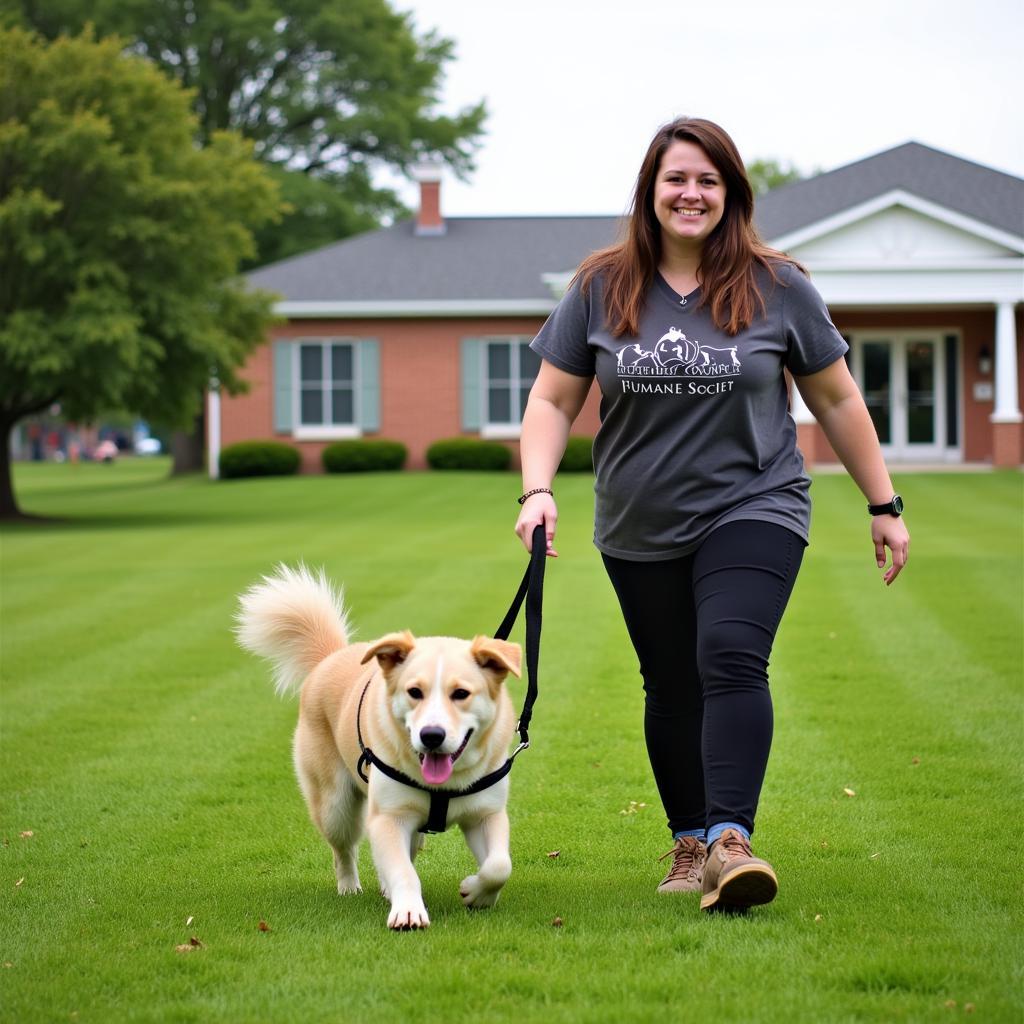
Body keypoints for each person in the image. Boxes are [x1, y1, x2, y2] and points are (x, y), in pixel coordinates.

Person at [514, 117, 909, 914]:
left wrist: (883, 503)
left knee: (729, 652)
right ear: (650, 191)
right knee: (669, 681)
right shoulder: (601, 285)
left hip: (755, 502)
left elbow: (834, 395)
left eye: (707, 180)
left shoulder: (779, 286)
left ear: (729, 194)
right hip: (637, 520)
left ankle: (733, 840)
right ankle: (689, 840)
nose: (690, 193)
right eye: (676, 179)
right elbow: (554, 398)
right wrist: (538, 489)